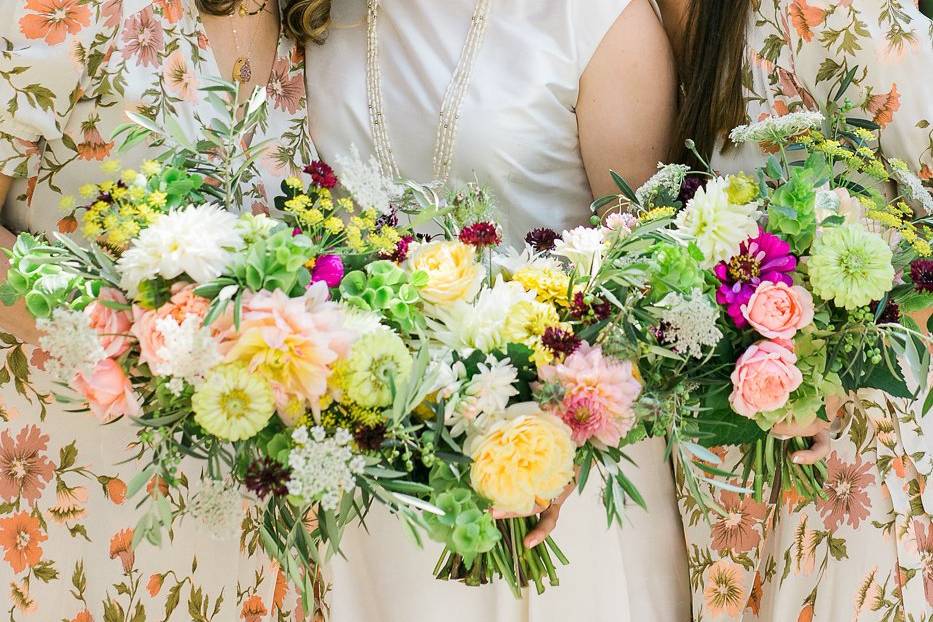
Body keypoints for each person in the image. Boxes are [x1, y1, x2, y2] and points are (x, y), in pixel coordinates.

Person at [302, 0, 691, 620]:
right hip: (381, 459)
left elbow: (643, 267)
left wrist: (559, 433)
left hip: (556, 464)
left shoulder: (595, 18)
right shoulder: (319, 16)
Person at [0, 0, 320, 617]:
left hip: (256, 524)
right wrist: (118, 338)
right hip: (71, 502)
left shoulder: (317, 31)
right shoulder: (76, 13)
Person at [656, 0, 933, 619]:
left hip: (847, 455)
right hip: (721, 474)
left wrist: (847, 366)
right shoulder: (636, 21)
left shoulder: (835, 16)